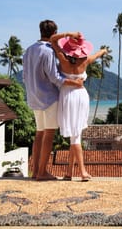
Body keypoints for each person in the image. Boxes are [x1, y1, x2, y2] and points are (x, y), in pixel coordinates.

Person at [23, 20, 84, 181]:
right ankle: (42, 172)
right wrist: (75, 82)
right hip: (49, 98)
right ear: (54, 32)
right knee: (49, 135)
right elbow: (55, 77)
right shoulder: (48, 51)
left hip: (34, 98)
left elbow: (25, 77)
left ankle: (36, 171)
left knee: (39, 134)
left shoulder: (29, 50)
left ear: (40, 31)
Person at [50, 31, 107, 181]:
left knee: (75, 136)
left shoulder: (63, 59)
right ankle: (73, 172)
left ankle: (80, 172)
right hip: (81, 95)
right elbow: (97, 55)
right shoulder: (86, 60)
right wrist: (103, 50)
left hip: (68, 96)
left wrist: (68, 34)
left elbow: (52, 40)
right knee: (76, 135)